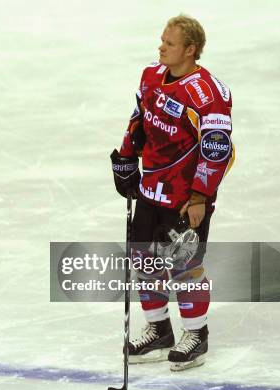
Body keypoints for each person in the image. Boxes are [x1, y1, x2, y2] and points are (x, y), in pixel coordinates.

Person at [110, 14, 234, 371]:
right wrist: (126, 158)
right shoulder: (151, 76)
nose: (160, 47)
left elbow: (217, 150)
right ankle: (159, 330)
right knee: (143, 261)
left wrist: (200, 198)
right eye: (162, 41)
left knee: (184, 265)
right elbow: (139, 120)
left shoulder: (207, 94)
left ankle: (196, 335)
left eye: (169, 43)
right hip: (151, 189)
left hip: (184, 199)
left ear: (190, 49)